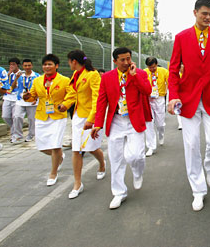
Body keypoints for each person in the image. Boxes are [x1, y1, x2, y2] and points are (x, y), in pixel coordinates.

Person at [168, 0, 210, 212]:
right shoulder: (181, 38)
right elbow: (174, 69)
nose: (208, 17)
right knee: (192, 144)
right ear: (195, 12)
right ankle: (198, 190)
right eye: (204, 13)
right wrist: (173, 96)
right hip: (188, 99)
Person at [91, 47, 152, 209]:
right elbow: (102, 101)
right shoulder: (107, 78)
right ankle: (119, 193)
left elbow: (147, 90)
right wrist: (98, 124)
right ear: (115, 61)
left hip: (134, 120)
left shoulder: (140, 73)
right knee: (116, 158)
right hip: (116, 121)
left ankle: (138, 173)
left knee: (135, 156)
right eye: (122, 60)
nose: (126, 62)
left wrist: (135, 75)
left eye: (128, 59)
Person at [58, 50, 106, 199]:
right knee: (77, 149)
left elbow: (97, 98)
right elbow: (72, 94)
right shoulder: (75, 75)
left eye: (68, 61)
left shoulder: (93, 75)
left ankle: (102, 164)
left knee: (91, 148)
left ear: (73, 61)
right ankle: (77, 183)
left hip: (91, 117)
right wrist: (65, 105)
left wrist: (92, 119)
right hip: (78, 117)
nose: (68, 64)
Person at [23, 54, 70, 186]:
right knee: (42, 146)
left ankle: (53, 173)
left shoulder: (64, 80)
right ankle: (59, 157)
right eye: (45, 64)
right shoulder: (37, 81)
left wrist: (65, 105)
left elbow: (71, 95)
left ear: (56, 66)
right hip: (42, 116)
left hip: (57, 116)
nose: (47, 67)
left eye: (50, 64)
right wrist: (27, 97)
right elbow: (33, 96)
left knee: (55, 145)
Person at [144, 57, 169, 156]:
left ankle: (161, 134)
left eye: (153, 67)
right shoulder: (144, 72)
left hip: (160, 98)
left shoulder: (164, 71)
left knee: (160, 123)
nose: (152, 70)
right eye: (150, 68)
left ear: (157, 64)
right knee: (149, 122)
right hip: (148, 99)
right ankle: (151, 146)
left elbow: (171, 83)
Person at [11, 59, 40, 142]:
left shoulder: (37, 76)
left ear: (32, 66)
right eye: (25, 66)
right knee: (17, 116)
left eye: (29, 65)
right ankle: (18, 135)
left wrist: (36, 98)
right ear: (22, 66)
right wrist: (16, 78)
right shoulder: (20, 76)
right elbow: (12, 87)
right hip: (20, 100)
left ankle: (31, 134)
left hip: (32, 101)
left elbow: (39, 89)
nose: (27, 67)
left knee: (31, 119)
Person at [3, 57, 21, 143]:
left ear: (17, 65)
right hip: (7, 97)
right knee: (5, 116)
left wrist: (16, 78)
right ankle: (14, 130)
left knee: (15, 116)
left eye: (13, 64)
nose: (11, 66)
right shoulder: (7, 74)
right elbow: (2, 84)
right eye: (10, 64)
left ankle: (15, 135)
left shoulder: (21, 74)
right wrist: (8, 74)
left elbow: (13, 87)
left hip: (16, 98)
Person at [176, 65, 184, 130]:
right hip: (179, 96)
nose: (182, 69)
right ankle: (180, 124)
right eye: (181, 68)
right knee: (178, 110)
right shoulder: (177, 76)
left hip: (187, 96)